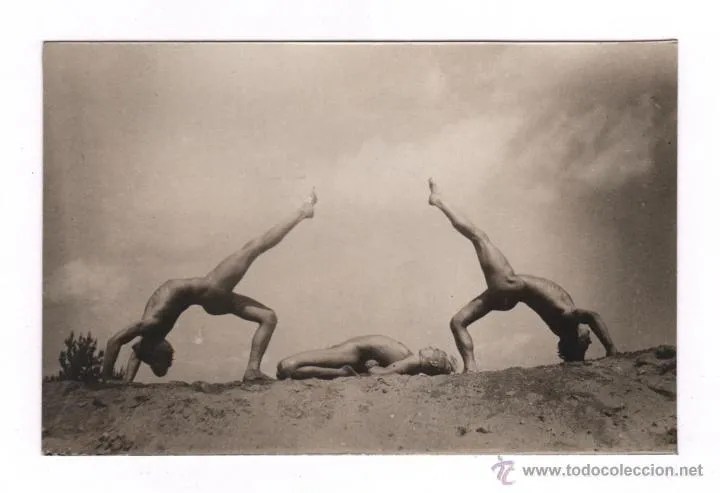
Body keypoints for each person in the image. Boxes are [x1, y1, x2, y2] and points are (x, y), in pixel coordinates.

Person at [101, 190, 318, 383]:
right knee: (254, 247)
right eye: (167, 358)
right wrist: (107, 381)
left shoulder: (148, 337)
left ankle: (253, 370)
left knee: (268, 317)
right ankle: (302, 211)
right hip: (211, 290)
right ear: (152, 352)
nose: (171, 351)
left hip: (210, 296)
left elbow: (128, 349)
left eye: (167, 356)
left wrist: (117, 381)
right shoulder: (152, 326)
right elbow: (117, 343)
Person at [427, 178, 618, 372]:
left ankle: (439, 201)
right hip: (509, 291)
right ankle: (470, 367)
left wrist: (610, 348)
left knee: (479, 237)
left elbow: (593, 316)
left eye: (587, 342)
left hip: (509, 284)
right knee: (457, 321)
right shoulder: (566, 323)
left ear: (577, 339)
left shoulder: (568, 320)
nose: (590, 339)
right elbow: (589, 320)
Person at [276, 334, 457, 380]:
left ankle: (343, 373)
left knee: (286, 366)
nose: (432, 347)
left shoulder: (414, 360)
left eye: (437, 351)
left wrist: (373, 367)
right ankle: (342, 373)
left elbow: (380, 374)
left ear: (433, 362)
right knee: (290, 370)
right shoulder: (407, 357)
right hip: (353, 353)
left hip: (353, 353)